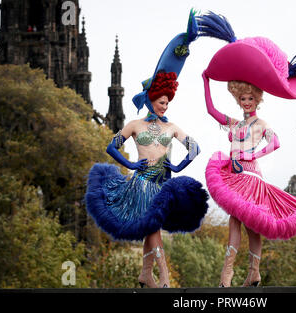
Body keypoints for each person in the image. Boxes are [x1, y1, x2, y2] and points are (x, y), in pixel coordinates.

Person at [197, 12, 296, 287]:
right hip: (234, 175)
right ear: (238, 97)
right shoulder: (234, 123)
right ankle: (235, 275)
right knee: (237, 223)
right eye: (242, 98)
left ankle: (246, 274)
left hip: (251, 177)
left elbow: (275, 143)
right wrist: (206, 81)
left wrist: (254, 155)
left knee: (252, 225)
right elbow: (211, 110)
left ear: (257, 98)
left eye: (249, 98)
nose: (245, 102)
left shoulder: (260, 123)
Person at [85, 10, 208, 288]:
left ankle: (145, 275)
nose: (164, 105)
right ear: (152, 100)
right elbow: (111, 146)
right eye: (161, 101)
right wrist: (129, 166)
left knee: (152, 229)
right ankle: (163, 278)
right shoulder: (135, 125)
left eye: (167, 102)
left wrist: (177, 167)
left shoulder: (171, 127)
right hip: (141, 184)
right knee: (152, 229)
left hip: (163, 183)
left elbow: (195, 148)